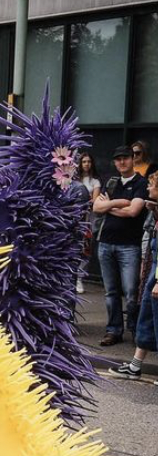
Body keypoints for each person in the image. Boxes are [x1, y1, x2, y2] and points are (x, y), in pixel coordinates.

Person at [93, 145, 150, 345]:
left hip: (129, 246)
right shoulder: (111, 182)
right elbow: (96, 207)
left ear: (132, 159)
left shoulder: (141, 183)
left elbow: (133, 211)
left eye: (125, 158)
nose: (122, 162)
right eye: (118, 159)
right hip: (106, 243)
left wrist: (109, 206)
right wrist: (119, 203)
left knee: (131, 291)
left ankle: (135, 331)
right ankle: (114, 330)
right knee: (111, 292)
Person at [109, 171, 158, 382]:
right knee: (146, 318)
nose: (148, 188)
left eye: (152, 185)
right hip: (154, 272)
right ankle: (135, 366)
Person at [77, 153, 102, 294]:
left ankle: (80, 278)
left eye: (89, 161)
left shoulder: (95, 181)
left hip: (88, 219)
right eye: (84, 161)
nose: (86, 164)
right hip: (75, 217)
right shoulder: (74, 179)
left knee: (85, 248)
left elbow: (94, 200)